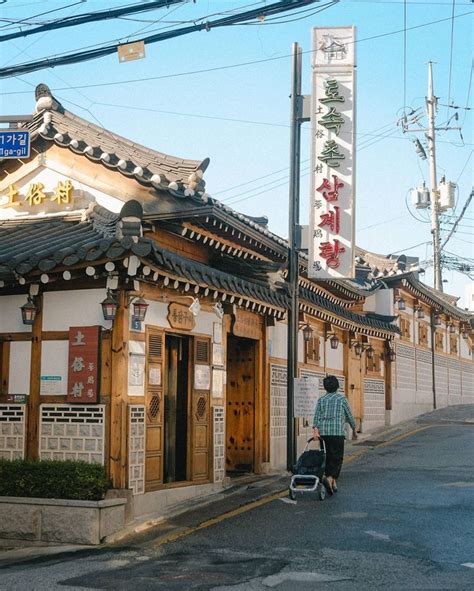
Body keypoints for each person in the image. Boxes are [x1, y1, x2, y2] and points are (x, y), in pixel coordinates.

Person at [312, 375, 357, 495]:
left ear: (325, 387)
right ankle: (330, 478)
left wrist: (316, 431)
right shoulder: (342, 399)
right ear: (337, 386)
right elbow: (349, 415)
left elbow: (316, 417)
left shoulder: (321, 400)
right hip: (337, 433)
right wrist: (354, 428)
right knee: (337, 458)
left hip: (324, 433)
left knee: (327, 457)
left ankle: (332, 483)